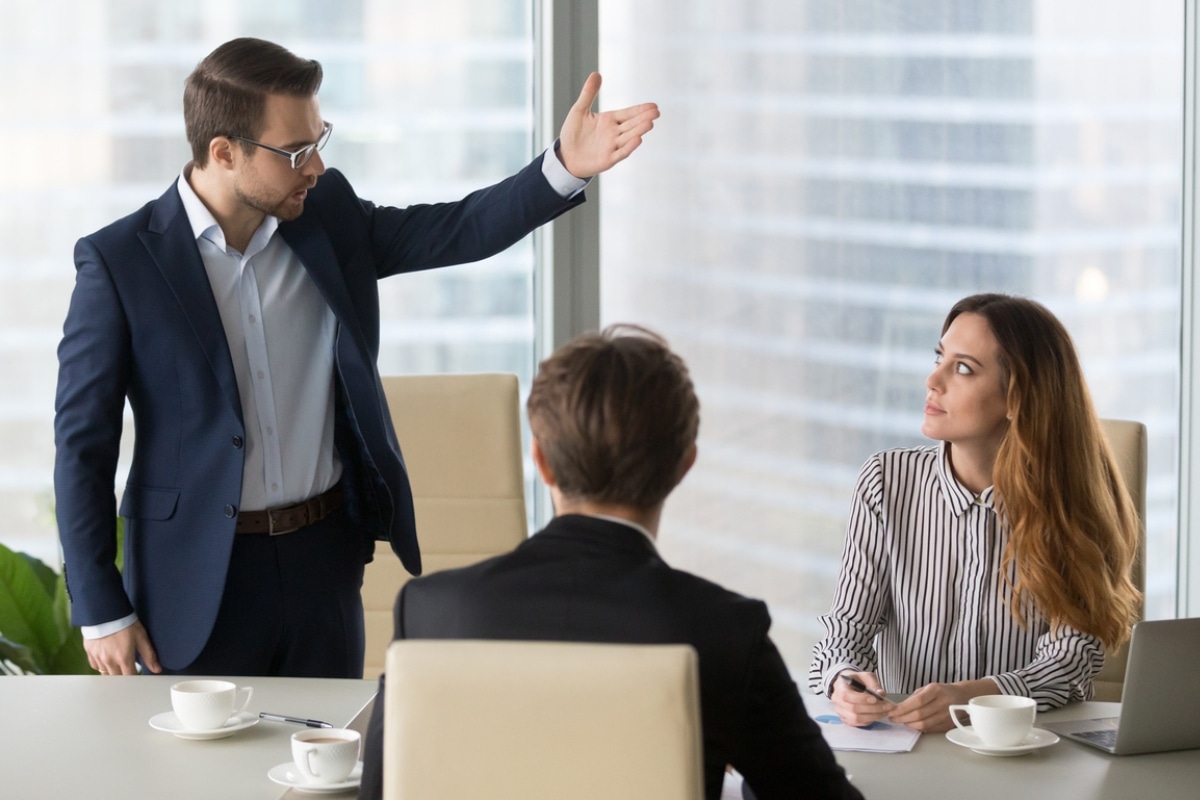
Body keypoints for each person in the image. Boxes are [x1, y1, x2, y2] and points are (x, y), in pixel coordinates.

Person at [53, 37, 660, 679]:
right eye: (295, 151)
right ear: (223, 153)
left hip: (323, 561)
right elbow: (82, 446)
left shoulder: (326, 217)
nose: (314, 166)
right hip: (194, 577)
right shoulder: (120, 263)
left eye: (321, 140)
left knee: (329, 767)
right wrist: (101, 608)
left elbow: (457, 228)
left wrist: (565, 165)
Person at [359, 324, 863, 800]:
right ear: (684, 464)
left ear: (540, 461)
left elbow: (381, 790)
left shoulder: (430, 611)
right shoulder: (725, 630)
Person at [808, 293, 1141, 732]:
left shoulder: (1072, 501)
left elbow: (1070, 662)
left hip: (1028, 754)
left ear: (1017, 397)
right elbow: (847, 626)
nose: (933, 380)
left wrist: (975, 697)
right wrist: (843, 680)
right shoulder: (885, 482)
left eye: (963, 368)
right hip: (911, 753)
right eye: (939, 357)